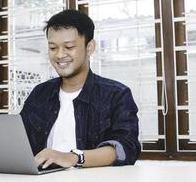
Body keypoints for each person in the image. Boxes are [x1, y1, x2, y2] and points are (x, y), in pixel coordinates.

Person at [20, 9, 140, 169]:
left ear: (89, 47)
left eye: (69, 47)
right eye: (53, 48)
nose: (59, 55)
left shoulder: (116, 94)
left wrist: (72, 157)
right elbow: (18, 142)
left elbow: (125, 148)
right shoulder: (40, 93)